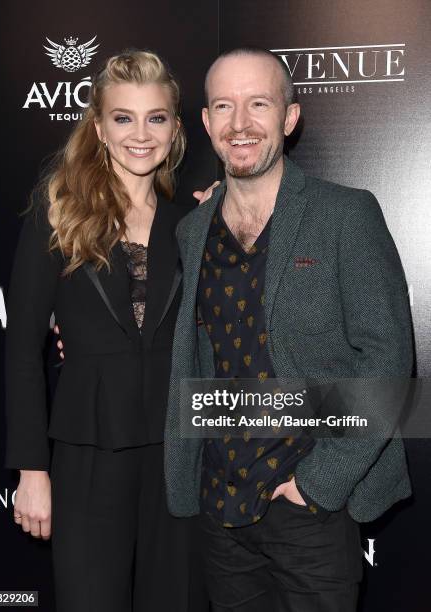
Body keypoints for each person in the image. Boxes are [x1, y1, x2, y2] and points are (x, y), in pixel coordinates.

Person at [164, 47, 414, 611]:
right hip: (221, 509)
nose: (240, 123)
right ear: (205, 123)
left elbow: (388, 358)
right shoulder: (192, 230)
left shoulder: (345, 214)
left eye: (258, 103)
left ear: (289, 117)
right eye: (223, 106)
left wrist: (319, 482)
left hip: (308, 505)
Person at [5, 49, 208, 612]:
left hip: (178, 457)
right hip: (88, 452)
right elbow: (23, 352)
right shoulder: (60, 214)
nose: (140, 134)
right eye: (124, 117)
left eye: (156, 117)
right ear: (98, 126)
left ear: (175, 127)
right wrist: (32, 470)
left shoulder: (193, 220)